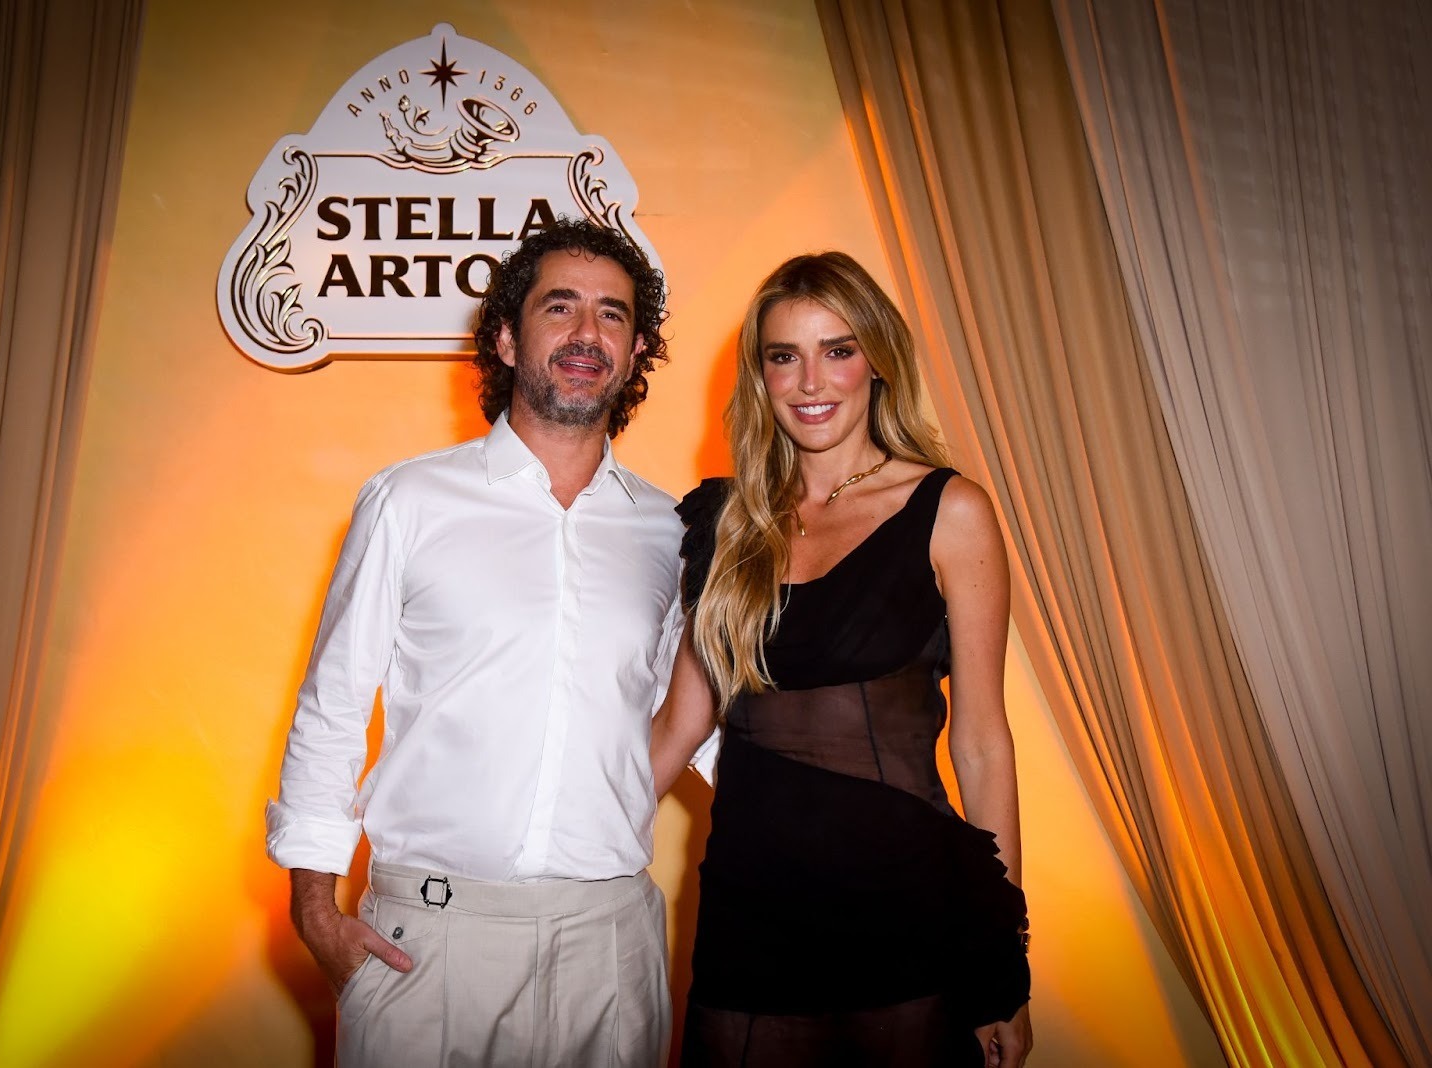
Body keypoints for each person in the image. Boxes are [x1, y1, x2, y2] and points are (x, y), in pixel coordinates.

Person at [266, 218, 683, 1067]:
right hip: (428, 944)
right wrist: (314, 911)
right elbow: (332, 706)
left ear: (637, 349)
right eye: (559, 307)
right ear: (505, 337)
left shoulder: (671, 530)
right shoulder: (409, 502)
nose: (586, 333)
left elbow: (699, 722)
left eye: (612, 314)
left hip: (610, 946)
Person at [651, 252, 1033, 1067]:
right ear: (761, 376)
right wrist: (544, 865)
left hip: (906, 907)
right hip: (749, 909)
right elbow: (676, 730)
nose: (810, 381)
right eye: (784, 356)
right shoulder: (728, 522)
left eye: (838, 349)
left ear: (877, 361)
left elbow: (981, 743)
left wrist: (1003, 956)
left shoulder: (949, 510)